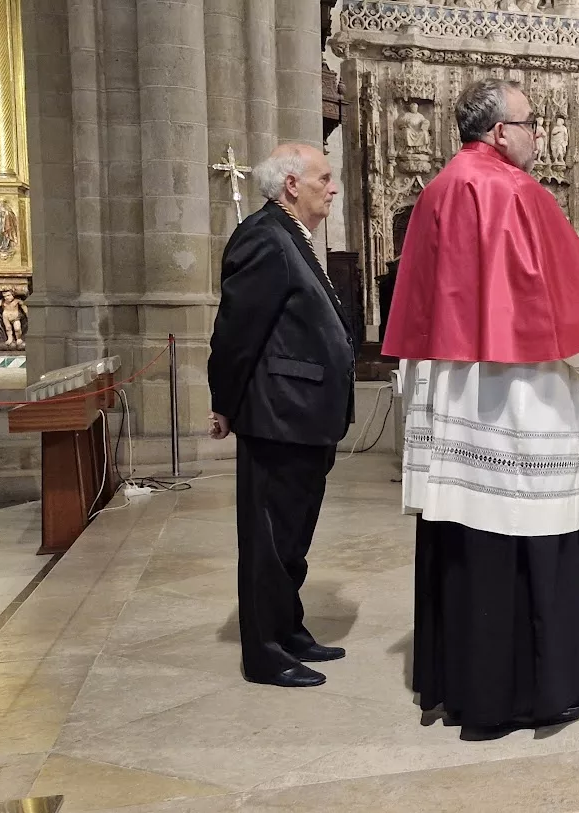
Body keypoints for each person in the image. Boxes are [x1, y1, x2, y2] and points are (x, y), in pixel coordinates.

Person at [382, 78, 579, 741]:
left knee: (468, 544)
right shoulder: (515, 191)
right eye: (530, 123)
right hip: (520, 403)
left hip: (454, 396)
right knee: (526, 537)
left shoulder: (439, 189)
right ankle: (535, 692)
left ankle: (466, 687)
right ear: (499, 132)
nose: (538, 134)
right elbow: (570, 299)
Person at [206, 143, 353, 689]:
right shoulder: (263, 235)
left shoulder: (296, 238)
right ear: (292, 184)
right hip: (278, 415)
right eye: (325, 177)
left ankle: (288, 629)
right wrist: (225, 402)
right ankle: (264, 651)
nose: (332, 187)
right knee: (268, 539)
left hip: (306, 415)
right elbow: (237, 331)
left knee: (293, 534)